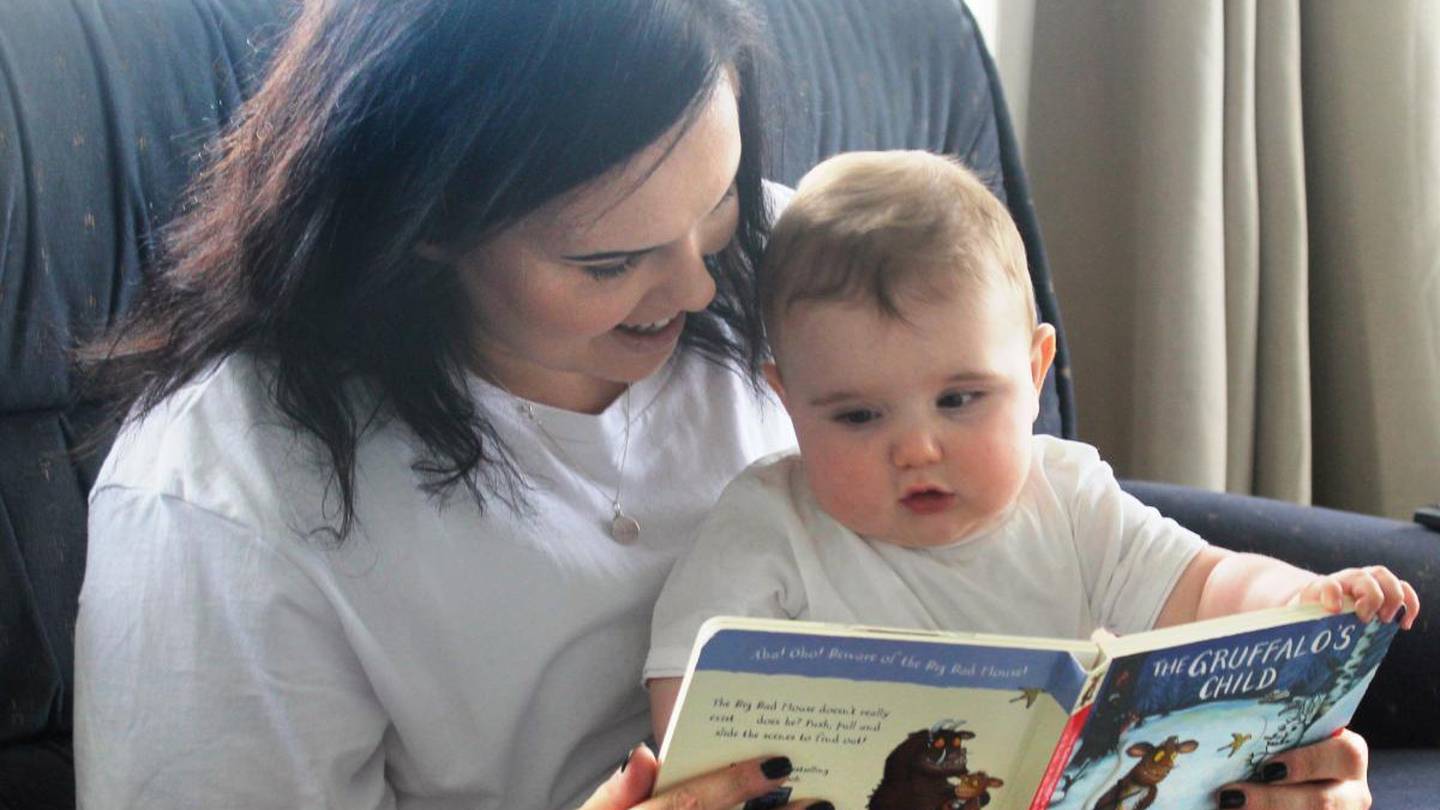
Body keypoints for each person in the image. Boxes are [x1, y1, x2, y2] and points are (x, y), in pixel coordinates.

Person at [74, 2, 821, 808]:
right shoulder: (223, 503)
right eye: (610, 263)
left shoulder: (805, 268)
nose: (698, 286)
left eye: (716, 208)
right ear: (424, 218)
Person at [644, 151, 1419, 810]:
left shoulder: (1070, 495)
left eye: (958, 400)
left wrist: (1304, 603)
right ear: (788, 403)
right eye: (856, 417)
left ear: (1035, 370)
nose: (916, 448)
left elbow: (1211, 583)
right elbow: (692, 709)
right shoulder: (766, 523)